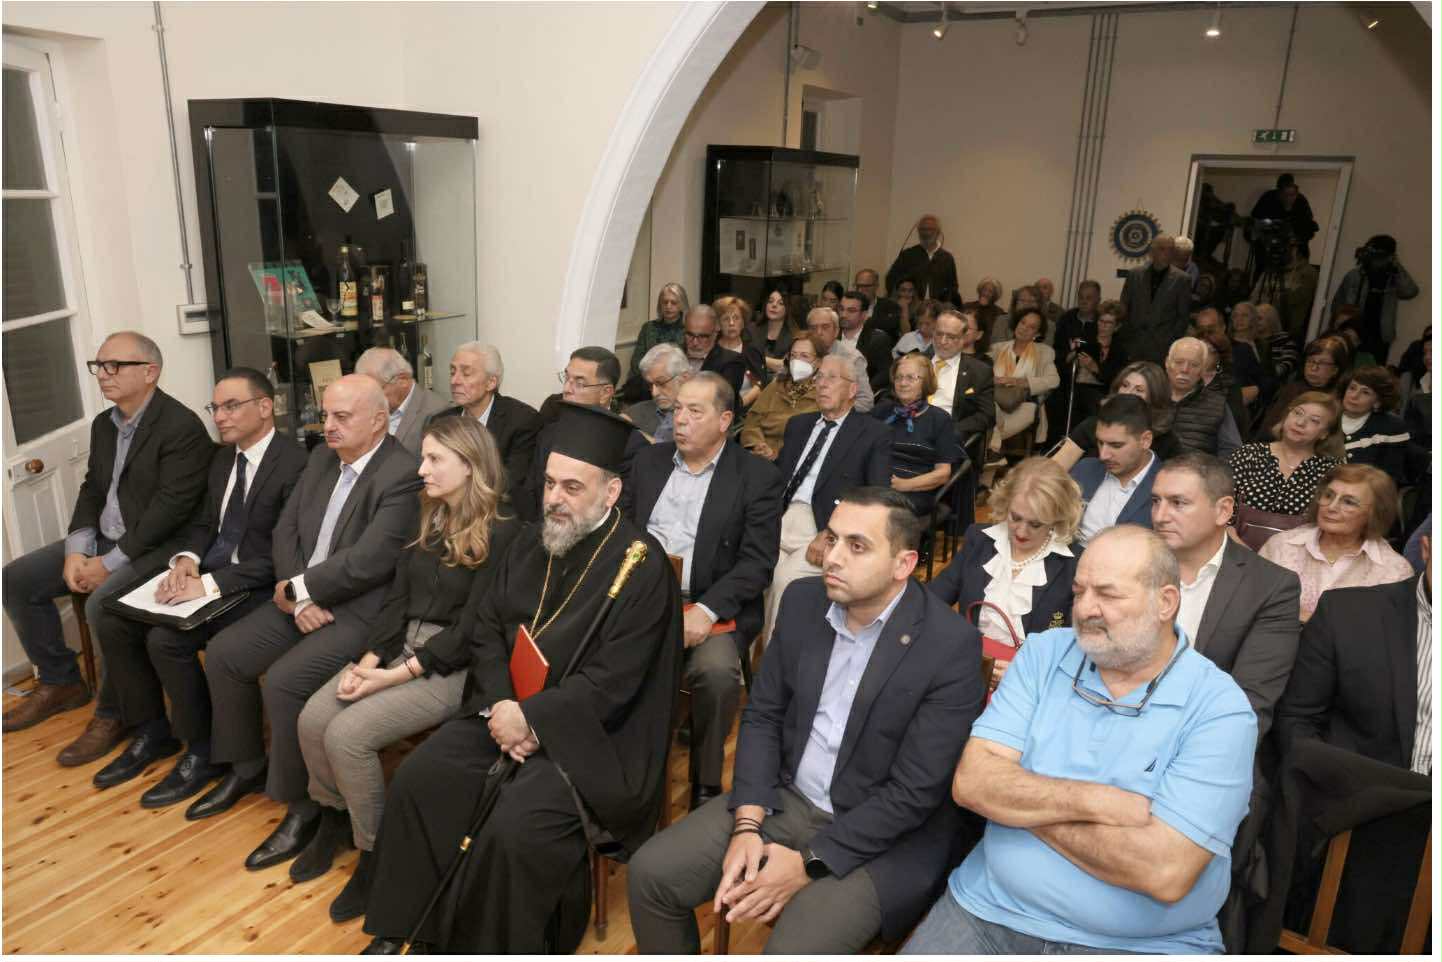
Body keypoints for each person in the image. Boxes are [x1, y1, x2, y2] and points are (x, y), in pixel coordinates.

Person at [359, 403, 682, 954]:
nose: (555, 498)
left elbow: (615, 682)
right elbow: (486, 630)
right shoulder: (532, 542)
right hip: (504, 709)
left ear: (610, 493)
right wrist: (502, 705)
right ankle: (406, 926)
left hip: (590, 739)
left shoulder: (640, 565)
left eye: (573, 487)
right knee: (420, 778)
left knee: (515, 829)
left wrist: (532, 719)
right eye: (550, 483)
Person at [628, 487, 985, 954]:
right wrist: (747, 823)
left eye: (857, 546)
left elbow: (914, 792)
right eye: (832, 539)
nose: (832, 557)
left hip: (880, 835)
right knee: (651, 875)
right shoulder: (803, 601)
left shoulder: (949, 644)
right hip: (786, 799)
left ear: (903, 564)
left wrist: (809, 861)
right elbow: (764, 714)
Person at [902, 526, 1257, 955]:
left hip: (1139, 945)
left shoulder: (1219, 708)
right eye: (1079, 591)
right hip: (988, 911)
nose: (1086, 609)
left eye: (1107, 594)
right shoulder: (1044, 654)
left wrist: (1022, 806)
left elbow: (1164, 871)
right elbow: (973, 784)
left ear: (1165, 602)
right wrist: (1098, 801)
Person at [292, 417, 523, 919]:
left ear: (470, 464)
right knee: (312, 718)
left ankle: (375, 854)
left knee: (347, 736)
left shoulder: (505, 532)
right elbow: (397, 600)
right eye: (423, 457)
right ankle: (333, 818)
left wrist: (392, 676)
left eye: (435, 459)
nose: (422, 469)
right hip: (397, 648)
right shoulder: (429, 513)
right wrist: (368, 663)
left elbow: (473, 630)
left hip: (452, 667)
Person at [193, 375, 423, 870]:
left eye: (342, 417)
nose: (328, 425)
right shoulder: (321, 457)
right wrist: (294, 593)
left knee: (284, 682)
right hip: (300, 597)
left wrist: (301, 591)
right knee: (227, 654)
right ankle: (246, 766)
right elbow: (286, 529)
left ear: (378, 420)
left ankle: (304, 806)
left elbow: (370, 560)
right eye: (326, 415)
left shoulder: (402, 474)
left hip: (358, 611)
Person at [87, 368, 307, 805]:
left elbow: (281, 557)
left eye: (231, 406)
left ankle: (203, 751)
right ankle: (153, 730)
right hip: (210, 573)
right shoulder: (223, 459)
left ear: (265, 407)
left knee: (165, 641)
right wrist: (187, 560)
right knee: (113, 619)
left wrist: (209, 584)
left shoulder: (296, 464)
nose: (219, 417)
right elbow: (205, 522)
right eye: (216, 407)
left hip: (257, 586)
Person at [1, 332, 213, 767]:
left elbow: (170, 511)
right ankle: (61, 681)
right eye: (98, 365)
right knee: (17, 579)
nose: (103, 374)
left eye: (115, 365)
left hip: (157, 547)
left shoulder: (182, 428)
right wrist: (77, 549)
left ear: (150, 372)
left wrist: (110, 563)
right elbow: (93, 489)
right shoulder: (104, 424)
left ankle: (113, 714)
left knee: (102, 605)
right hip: (103, 538)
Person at [624, 374, 781, 810]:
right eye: (678, 409)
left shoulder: (756, 477)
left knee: (715, 674)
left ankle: (705, 784)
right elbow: (622, 533)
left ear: (725, 420)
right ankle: (622, 773)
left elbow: (757, 563)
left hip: (709, 603)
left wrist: (706, 610)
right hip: (641, 599)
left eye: (695, 411)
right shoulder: (648, 462)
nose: (681, 420)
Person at [1150, 453, 1301, 739]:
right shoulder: (1129, 561)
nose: (1160, 516)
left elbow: (1250, 701)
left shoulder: (1270, 586)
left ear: (1223, 510)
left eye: (1178, 503)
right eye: (1156, 501)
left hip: (1205, 740)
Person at [763, 354, 891, 641]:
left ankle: (771, 663)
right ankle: (738, 661)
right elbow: (777, 479)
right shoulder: (798, 425)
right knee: (753, 572)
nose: (822, 384)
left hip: (823, 524)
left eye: (832, 378)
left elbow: (877, 495)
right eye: (819, 377)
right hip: (778, 517)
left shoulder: (873, 433)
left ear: (852, 389)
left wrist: (833, 534)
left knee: (784, 582)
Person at [927, 457, 1081, 687]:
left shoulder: (1074, 564)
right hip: (970, 667)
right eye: (1015, 518)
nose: (1021, 532)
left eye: (1036, 524)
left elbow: (1076, 644)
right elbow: (934, 598)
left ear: (1056, 519)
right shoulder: (980, 540)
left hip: (1032, 680)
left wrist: (1026, 670)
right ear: (1005, 503)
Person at [1259, 464, 1414, 621]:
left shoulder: (1394, 571)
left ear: (1374, 513)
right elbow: (1252, 603)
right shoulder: (1281, 545)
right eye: (1328, 495)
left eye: (1349, 502)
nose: (1331, 507)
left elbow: (1386, 629)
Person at [525, 347, 649, 520]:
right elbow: (531, 495)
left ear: (605, 393)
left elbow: (622, 511)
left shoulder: (630, 445)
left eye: (579, 383)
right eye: (566, 378)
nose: (567, 389)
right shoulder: (549, 433)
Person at [438, 342, 540, 516]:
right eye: (452, 372)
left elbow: (509, 483)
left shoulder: (521, 420)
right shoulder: (442, 421)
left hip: (495, 514)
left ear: (491, 382)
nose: (454, 381)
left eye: (466, 373)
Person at [1229, 391, 1343, 528]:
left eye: (1314, 420)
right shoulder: (1249, 454)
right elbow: (1223, 503)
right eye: (1297, 413)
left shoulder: (1331, 471)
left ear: (1325, 433)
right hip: (1235, 537)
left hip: (1299, 541)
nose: (1300, 422)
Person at [872, 353, 964, 515]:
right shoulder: (881, 411)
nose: (903, 383)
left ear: (925, 382)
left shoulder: (939, 419)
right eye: (898, 377)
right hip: (875, 483)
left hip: (913, 490)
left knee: (879, 511)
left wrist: (904, 484)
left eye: (910, 378)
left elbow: (943, 473)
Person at [1071, 394, 1162, 547]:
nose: (1103, 455)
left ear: (1145, 440)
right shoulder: (1085, 470)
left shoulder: (1167, 484)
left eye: (1116, 445)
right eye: (1100, 443)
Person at [1053, 361, 1180, 470]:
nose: (1128, 393)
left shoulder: (1166, 441)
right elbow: (1054, 470)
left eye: (1139, 390)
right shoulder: (1093, 424)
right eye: (1125, 385)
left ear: (1155, 398)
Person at [1329, 234, 1418, 363]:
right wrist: (1338, 326)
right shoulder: (1355, 276)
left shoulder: (1393, 277)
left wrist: (1396, 265)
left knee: (1372, 370)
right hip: (1352, 331)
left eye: (1382, 255)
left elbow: (1410, 291)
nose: (1377, 260)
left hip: (1380, 335)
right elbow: (1337, 304)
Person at [738, 334, 820, 461]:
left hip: (793, 460)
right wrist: (758, 445)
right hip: (758, 455)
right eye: (793, 355)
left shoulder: (822, 395)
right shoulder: (777, 385)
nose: (797, 361)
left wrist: (775, 454)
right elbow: (752, 422)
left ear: (819, 361)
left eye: (804, 356)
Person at [989, 308, 1059, 455]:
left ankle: (992, 451)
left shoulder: (1044, 352)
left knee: (987, 424)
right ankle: (994, 453)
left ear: (1037, 334)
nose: (1024, 328)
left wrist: (1018, 382)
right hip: (995, 403)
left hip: (1023, 405)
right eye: (1022, 322)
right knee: (987, 410)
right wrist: (994, 380)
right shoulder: (997, 348)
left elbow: (1053, 380)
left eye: (1031, 327)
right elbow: (981, 375)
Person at [354, 347, 449, 455]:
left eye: (376, 390)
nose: (368, 399)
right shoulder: (370, 407)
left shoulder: (436, 413)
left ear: (403, 380)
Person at [1056, 297, 1128, 437]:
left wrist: (1095, 368)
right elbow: (1064, 365)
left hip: (1104, 391)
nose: (1103, 326)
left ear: (1117, 327)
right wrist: (1071, 354)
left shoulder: (1120, 350)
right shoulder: (1085, 340)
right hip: (1077, 387)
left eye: (1109, 323)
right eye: (1101, 321)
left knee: (1099, 402)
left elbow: (1116, 378)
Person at [1119, 234, 1192, 364]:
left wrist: (1170, 341)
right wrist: (1127, 335)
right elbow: (1124, 307)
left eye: (1171, 249)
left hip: (1162, 348)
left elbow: (1183, 317)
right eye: (1162, 249)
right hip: (1133, 343)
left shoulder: (1182, 280)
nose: (1167, 253)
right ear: (1152, 252)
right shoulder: (1134, 275)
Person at [1261, 334, 1351, 434]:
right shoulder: (1291, 389)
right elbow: (1268, 428)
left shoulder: (1340, 399)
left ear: (1335, 370)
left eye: (1322, 363)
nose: (1313, 368)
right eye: (1310, 361)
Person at [928, 309, 994, 444]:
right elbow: (890, 399)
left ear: (963, 339)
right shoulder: (912, 361)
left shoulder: (979, 371)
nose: (943, 341)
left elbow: (986, 415)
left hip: (947, 437)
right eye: (939, 334)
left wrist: (952, 430)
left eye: (951, 337)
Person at [1167, 337, 1241, 458]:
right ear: (1167, 363)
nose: (1185, 369)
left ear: (1202, 370)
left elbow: (1232, 451)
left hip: (1199, 468)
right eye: (1179, 362)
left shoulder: (1217, 405)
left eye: (1194, 365)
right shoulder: (1151, 395)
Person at [620, 282, 689, 402]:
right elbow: (636, 361)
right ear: (660, 304)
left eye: (673, 303)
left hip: (673, 382)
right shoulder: (648, 328)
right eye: (665, 302)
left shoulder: (687, 330)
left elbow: (686, 364)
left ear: (681, 305)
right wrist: (651, 378)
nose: (668, 306)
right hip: (646, 381)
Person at [1339, 365, 1411, 480]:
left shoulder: (1392, 428)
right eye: (1352, 388)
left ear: (1378, 402)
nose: (1354, 396)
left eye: (1365, 392)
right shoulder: (1325, 416)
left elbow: (1389, 478)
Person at [805, 305, 875, 413]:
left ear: (836, 331)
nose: (819, 332)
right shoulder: (800, 352)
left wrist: (835, 409)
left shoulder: (852, 358)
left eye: (825, 327)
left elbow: (865, 402)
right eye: (813, 328)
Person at [682, 304, 746, 411]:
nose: (695, 342)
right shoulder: (675, 354)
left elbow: (720, 402)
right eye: (690, 335)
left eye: (702, 336)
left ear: (715, 333)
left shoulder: (732, 362)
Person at [887, 214, 959, 304]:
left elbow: (953, 287)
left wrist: (944, 303)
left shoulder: (947, 258)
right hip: (912, 306)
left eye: (930, 229)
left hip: (938, 307)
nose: (926, 233)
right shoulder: (908, 255)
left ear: (938, 232)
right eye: (922, 229)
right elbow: (891, 279)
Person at [624, 341, 690, 441]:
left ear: (684, 378)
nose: (654, 393)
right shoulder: (633, 414)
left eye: (661, 383)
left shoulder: (702, 417)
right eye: (650, 385)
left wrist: (637, 434)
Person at [1249, 173, 1319, 264]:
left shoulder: (1301, 200)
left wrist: (1297, 238)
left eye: (1292, 194)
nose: (1288, 198)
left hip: (1295, 246)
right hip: (1271, 244)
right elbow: (1255, 219)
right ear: (1279, 191)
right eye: (1284, 194)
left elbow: (1308, 223)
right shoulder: (1268, 197)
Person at [837, 290, 894, 394]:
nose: (844, 314)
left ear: (864, 315)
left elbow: (884, 374)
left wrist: (861, 392)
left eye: (851, 311)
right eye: (841, 309)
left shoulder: (878, 340)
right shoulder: (832, 335)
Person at [715, 295, 766, 408]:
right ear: (718, 324)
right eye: (726, 319)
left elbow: (760, 383)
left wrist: (741, 404)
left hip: (746, 410)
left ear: (743, 323)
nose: (731, 323)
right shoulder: (712, 350)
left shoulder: (752, 350)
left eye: (736, 318)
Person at [1227, 302, 1270, 406]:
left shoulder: (1262, 345)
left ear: (1253, 319)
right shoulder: (1226, 344)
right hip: (1236, 398)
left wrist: (1258, 389)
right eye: (1235, 316)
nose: (1239, 319)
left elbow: (1270, 374)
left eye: (1244, 315)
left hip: (1261, 397)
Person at [747, 286, 796, 376]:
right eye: (770, 301)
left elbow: (788, 367)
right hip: (752, 378)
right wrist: (775, 363)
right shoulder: (750, 329)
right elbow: (742, 356)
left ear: (787, 308)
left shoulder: (794, 336)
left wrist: (755, 359)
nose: (774, 305)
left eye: (780, 303)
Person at [1253, 302, 1298, 388]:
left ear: (1270, 320)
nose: (1255, 322)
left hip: (1274, 384)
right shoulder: (1251, 340)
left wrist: (1270, 373)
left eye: (1259, 318)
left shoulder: (1284, 339)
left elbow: (1289, 363)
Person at [854, 269, 901, 340]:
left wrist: (867, 321)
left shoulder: (890, 306)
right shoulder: (848, 305)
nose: (860, 290)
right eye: (858, 286)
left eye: (865, 286)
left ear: (876, 286)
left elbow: (889, 327)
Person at [962, 276, 1006, 344]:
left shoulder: (999, 313)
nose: (986, 293)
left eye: (990, 291)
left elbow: (996, 337)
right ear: (980, 290)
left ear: (995, 296)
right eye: (984, 289)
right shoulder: (967, 306)